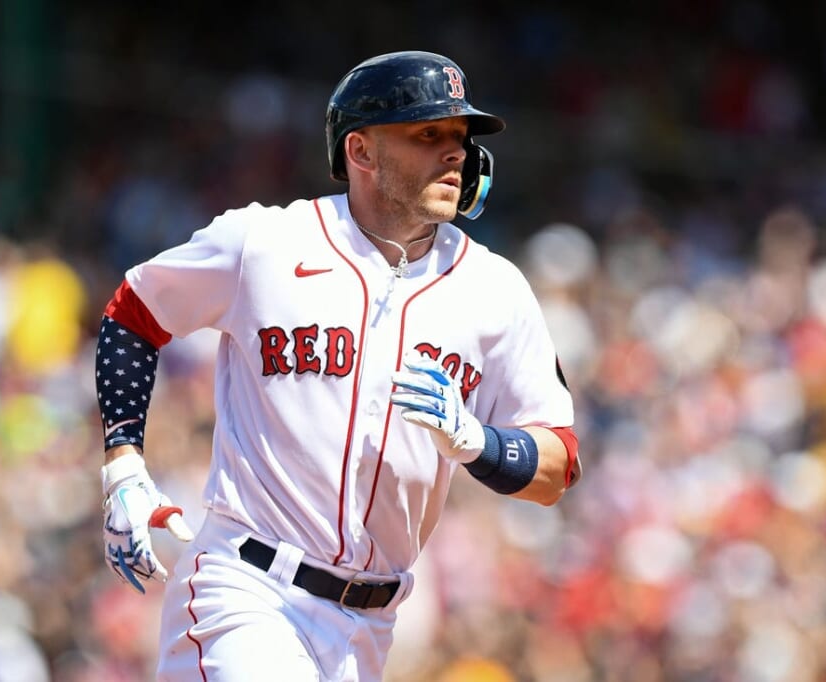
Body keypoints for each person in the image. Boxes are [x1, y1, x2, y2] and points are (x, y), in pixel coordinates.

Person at [95, 50, 582, 682]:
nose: (455, 152)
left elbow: (559, 464)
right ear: (361, 152)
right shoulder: (264, 244)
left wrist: (479, 443)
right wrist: (123, 466)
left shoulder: (496, 289)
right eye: (428, 133)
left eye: (460, 137)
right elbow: (132, 314)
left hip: (374, 627)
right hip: (247, 590)